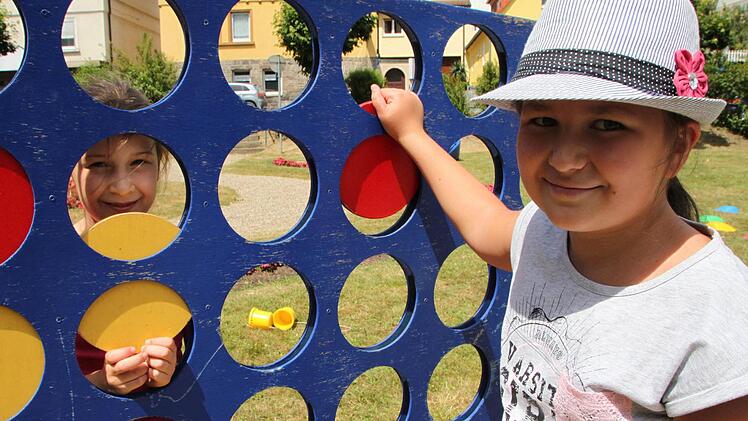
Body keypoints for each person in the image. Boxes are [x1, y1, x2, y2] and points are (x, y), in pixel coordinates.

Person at [370, 0, 748, 419]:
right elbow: (484, 222)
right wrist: (412, 134)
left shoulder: (717, 316)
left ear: (678, 147)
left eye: (608, 125)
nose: (565, 159)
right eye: (543, 120)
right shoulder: (543, 230)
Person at [70, 77, 189, 395]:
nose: (123, 186)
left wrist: (170, 366)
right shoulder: (59, 262)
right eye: (98, 164)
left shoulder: (174, 253)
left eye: (138, 162)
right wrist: (102, 384)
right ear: (69, 172)